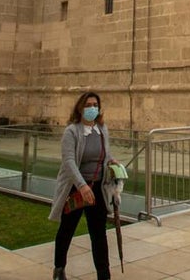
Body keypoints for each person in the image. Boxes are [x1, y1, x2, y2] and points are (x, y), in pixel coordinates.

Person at [50, 91, 118, 280]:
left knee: (99, 234)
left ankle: (104, 275)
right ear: (80, 108)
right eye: (88, 105)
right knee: (67, 230)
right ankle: (59, 268)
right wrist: (81, 186)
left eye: (95, 105)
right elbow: (69, 162)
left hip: (97, 188)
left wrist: (112, 161)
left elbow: (105, 154)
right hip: (75, 188)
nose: (92, 108)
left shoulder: (102, 129)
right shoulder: (72, 131)